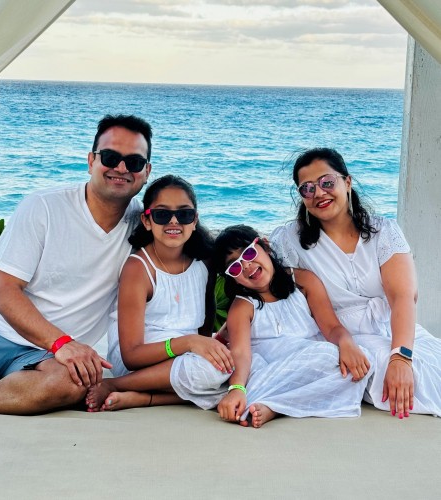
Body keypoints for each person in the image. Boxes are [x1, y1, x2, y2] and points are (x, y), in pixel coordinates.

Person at [0, 114, 152, 415]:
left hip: (50, 357)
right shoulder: (44, 206)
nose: (122, 168)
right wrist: (62, 343)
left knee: (71, 385)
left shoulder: (146, 224)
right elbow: (4, 290)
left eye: (134, 162)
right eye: (110, 157)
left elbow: (191, 251)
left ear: (146, 171)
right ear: (90, 161)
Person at [271, 147, 441, 420]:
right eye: (307, 188)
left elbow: (403, 298)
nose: (319, 193)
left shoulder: (383, 232)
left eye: (328, 182)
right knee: (397, 375)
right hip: (341, 337)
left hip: (395, 329)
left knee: (426, 369)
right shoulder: (290, 240)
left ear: (347, 182)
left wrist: (401, 356)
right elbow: (260, 269)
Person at [86, 175, 233, 412]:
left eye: (184, 214)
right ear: (147, 221)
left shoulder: (204, 262)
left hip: (188, 357)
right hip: (142, 362)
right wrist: (190, 343)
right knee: (214, 371)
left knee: (244, 366)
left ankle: (144, 398)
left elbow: (205, 326)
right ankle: (116, 384)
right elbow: (131, 355)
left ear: (194, 220)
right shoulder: (139, 268)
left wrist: (204, 346)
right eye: (162, 214)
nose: (174, 221)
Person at [213, 225, 372, 428]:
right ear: (231, 277)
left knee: (360, 362)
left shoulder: (303, 281)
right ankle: (258, 400)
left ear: (266, 246)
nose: (246, 266)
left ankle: (274, 405)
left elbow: (331, 327)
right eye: (234, 266)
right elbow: (241, 353)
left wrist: (347, 344)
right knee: (325, 356)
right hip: (272, 369)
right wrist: (236, 388)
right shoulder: (243, 306)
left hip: (310, 362)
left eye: (249, 253)